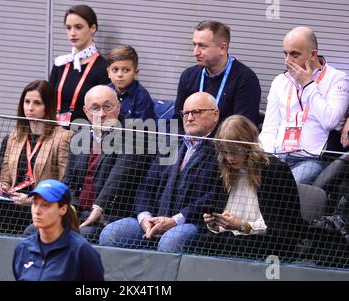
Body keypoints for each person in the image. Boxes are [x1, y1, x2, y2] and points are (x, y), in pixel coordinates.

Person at [99, 92, 220, 253]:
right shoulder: (170, 145)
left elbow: (215, 196)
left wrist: (175, 221)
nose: (190, 118)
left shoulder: (222, 150)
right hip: (152, 219)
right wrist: (144, 217)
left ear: (215, 114)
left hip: (192, 222)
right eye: (185, 113)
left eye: (197, 112)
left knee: (170, 243)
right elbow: (146, 186)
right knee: (111, 234)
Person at [0, 80, 73, 234]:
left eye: (37, 103)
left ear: (48, 106)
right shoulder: (14, 137)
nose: (30, 108)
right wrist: (1, 186)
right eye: (27, 102)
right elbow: (6, 177)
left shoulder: (63, 137)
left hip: (38, 205)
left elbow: (63, 184)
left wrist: (32, 200)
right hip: (11, 201)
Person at [199, 115, 306, 262]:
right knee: (201, 244)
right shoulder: (222, 169)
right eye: (224, 151)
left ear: (249, 146)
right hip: (229, 239)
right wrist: (214, 224)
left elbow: (285, 226)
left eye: (235, 151)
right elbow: (219, 215)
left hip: (267, 242)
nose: (229, 158)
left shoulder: (274, 170)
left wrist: (242, 226)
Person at [61, 85, 152, 242]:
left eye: (107, 107)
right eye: (95, 108)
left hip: (110, 216)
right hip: (80, 213)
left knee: (80, 237)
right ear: (86, 112)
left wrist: (98, 207)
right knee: (34, 229)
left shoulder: (135, 133)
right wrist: (71, 207)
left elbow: (119, 176)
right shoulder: (80, 137)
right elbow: (69, 180)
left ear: (118, 106)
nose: (102, 114)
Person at [259, 26, 349, 184]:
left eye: (294, 54)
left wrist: (308, 84)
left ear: (313, 54)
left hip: (311, 159)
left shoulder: (337, 79)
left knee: (285, 187)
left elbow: (330, 121)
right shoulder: (280, 81)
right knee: (256, 184)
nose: (287, 60)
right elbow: (269, 128)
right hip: (279, 157)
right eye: (285, 53)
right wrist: (267, 159)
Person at [174, 20, 261, 131]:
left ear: (222, 48)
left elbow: (242, 130)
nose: (195, 52)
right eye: (194, 45)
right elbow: (176, 120)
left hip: (223, 146)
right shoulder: (188, 76)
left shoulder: (245, 80)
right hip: (188, 144)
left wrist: (202, 138)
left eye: (202, 46)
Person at [13, 179, 104, 281]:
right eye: (35, 203)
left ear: (63, 209)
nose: (37, 211)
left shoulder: (81, 251)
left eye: (45, 205)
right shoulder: (23, 248)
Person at [49, 4, 110, 124]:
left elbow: (105, 110)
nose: (72, 33)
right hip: (55, 131)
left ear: (93, 28)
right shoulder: (60, 63)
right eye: (68, 27)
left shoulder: (103, 67)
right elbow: (49, 100)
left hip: (84, 134)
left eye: (78, 27)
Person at [107, 45, 156, 121]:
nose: (120, 74)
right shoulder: (105, 92)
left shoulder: (142, 97)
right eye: (115, 70)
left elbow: (143, 130)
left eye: (126, 70)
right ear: (108, 72)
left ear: (136, 73)